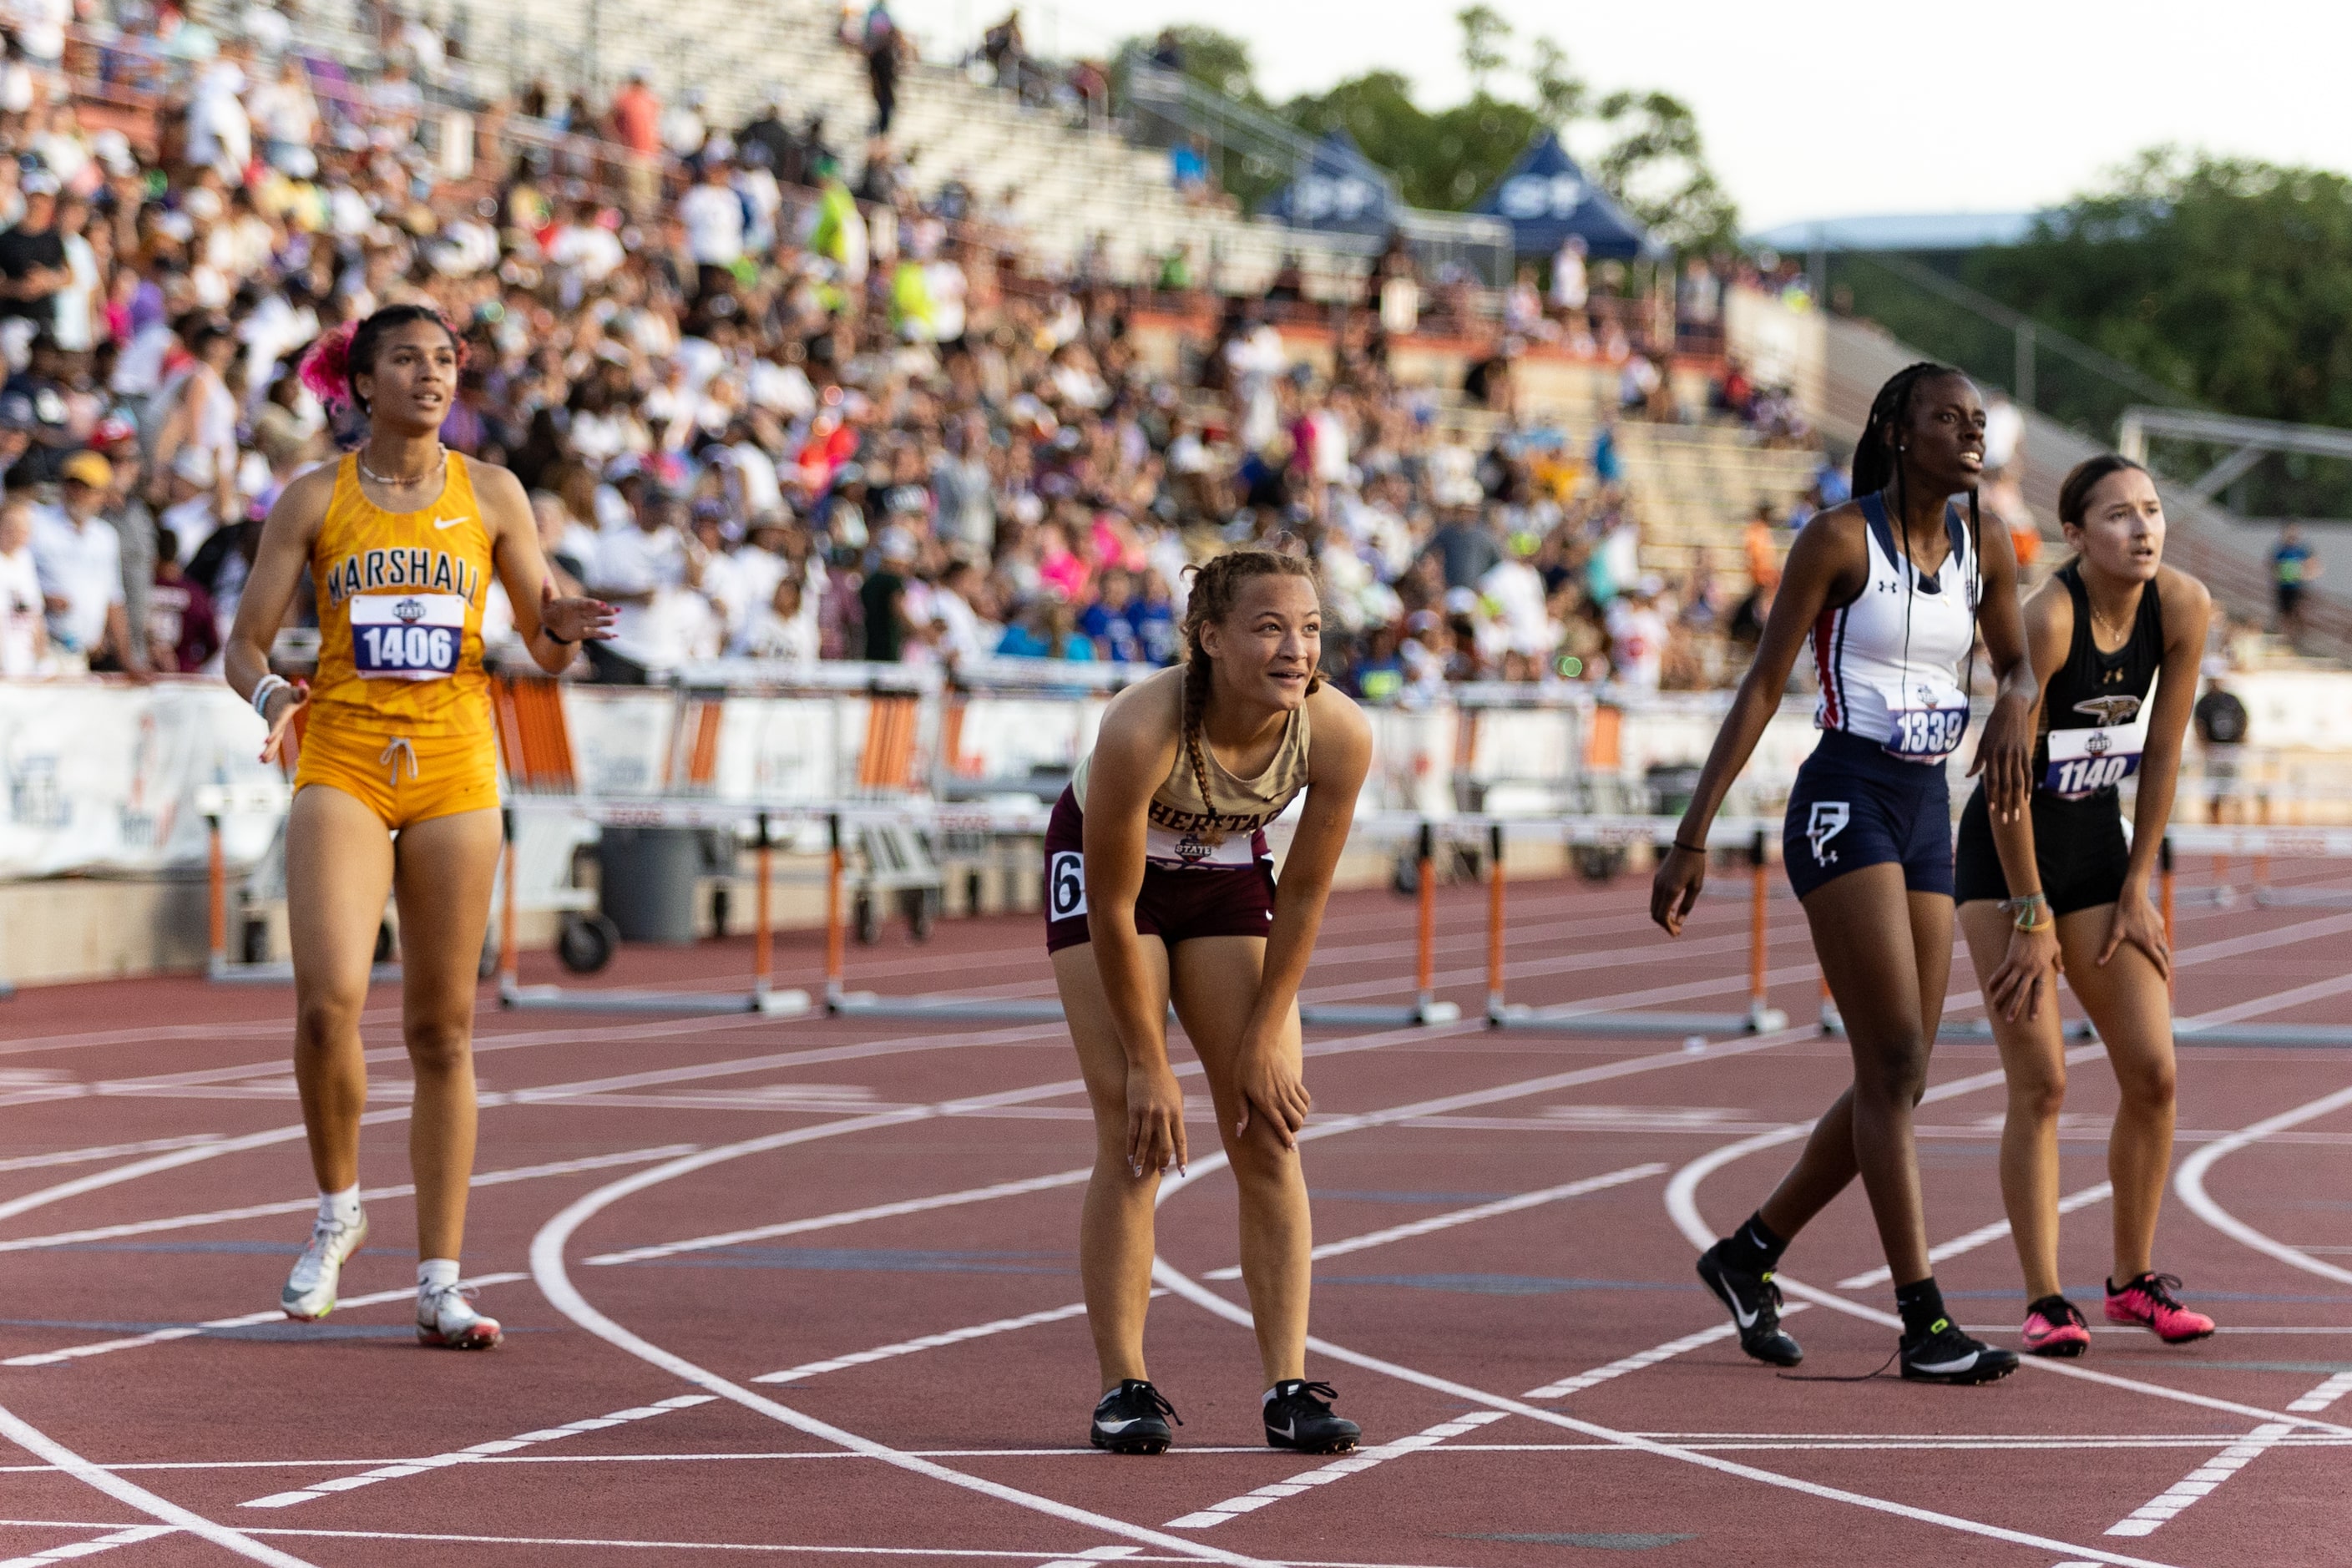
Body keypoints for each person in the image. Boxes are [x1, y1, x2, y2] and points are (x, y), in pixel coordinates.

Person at [222, 306, 615, 1349]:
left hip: (454, 769)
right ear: (358, 381)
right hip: (343, 757)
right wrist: (272, 701)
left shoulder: (493, 492)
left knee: (442, 1029)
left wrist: (562, 628)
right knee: (326, 1003)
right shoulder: (316, 498)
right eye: (407, 359)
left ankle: (441, 1279)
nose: (432, 375)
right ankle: (337, 1209)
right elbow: (243, 643)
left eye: (445, 360)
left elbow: (541, 635)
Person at [1651, 362, 2036, 1384]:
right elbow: (1761, 685)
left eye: (1979, 421)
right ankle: (1923, 1322)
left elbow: (2022, 663)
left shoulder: (1985, 541)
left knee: (1899, 1073)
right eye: (1949, 420)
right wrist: (1693, 834)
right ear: (1897, 432)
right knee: (1898, 1050)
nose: (1971, 434)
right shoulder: (1836, 538)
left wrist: (2015, 699)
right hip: (1845, 800)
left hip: (1925, 808)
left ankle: (1750, 1252)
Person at [1046, 549, 1373, 1455]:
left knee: (1267, 1123)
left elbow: (1303, 893)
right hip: (1118, 880)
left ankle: (1290, 1387)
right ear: (1209, 639)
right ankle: (1126, 1386)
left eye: (1308, 629)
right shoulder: (1141, 727)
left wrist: (1267, 1032)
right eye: (1269, 627)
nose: (1295, 648)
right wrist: (1150, 1062)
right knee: (1133, 1128)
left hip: (1230, 875)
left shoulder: (1338, 733)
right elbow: (1112, 904)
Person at [1952, 455, 2215, 1355]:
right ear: (2073, 535)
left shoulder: (2181, 605)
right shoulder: (2049, 619)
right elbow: (2004, 786)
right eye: (2117, 517)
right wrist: (2028, 917)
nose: (2142, 529)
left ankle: (2133, 1281)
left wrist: (2139, 884)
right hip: (2005, 860)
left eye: (2152, 511)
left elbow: (2166, 751)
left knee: (2154, 1071)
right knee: (2044, 1082)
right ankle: (2044, 1298)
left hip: (2098, 856)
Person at [2269, 522, 2321, 640]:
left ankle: (2299, 634)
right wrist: (2277, 575)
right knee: (2285, 613)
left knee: (2298, 611)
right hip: (2284, 587)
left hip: (2298, 587)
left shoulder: (2302, 550)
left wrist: (2306, 575)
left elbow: (2315, 566)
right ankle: (2287, 637)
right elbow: (2272, 566)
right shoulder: (2280, 550)